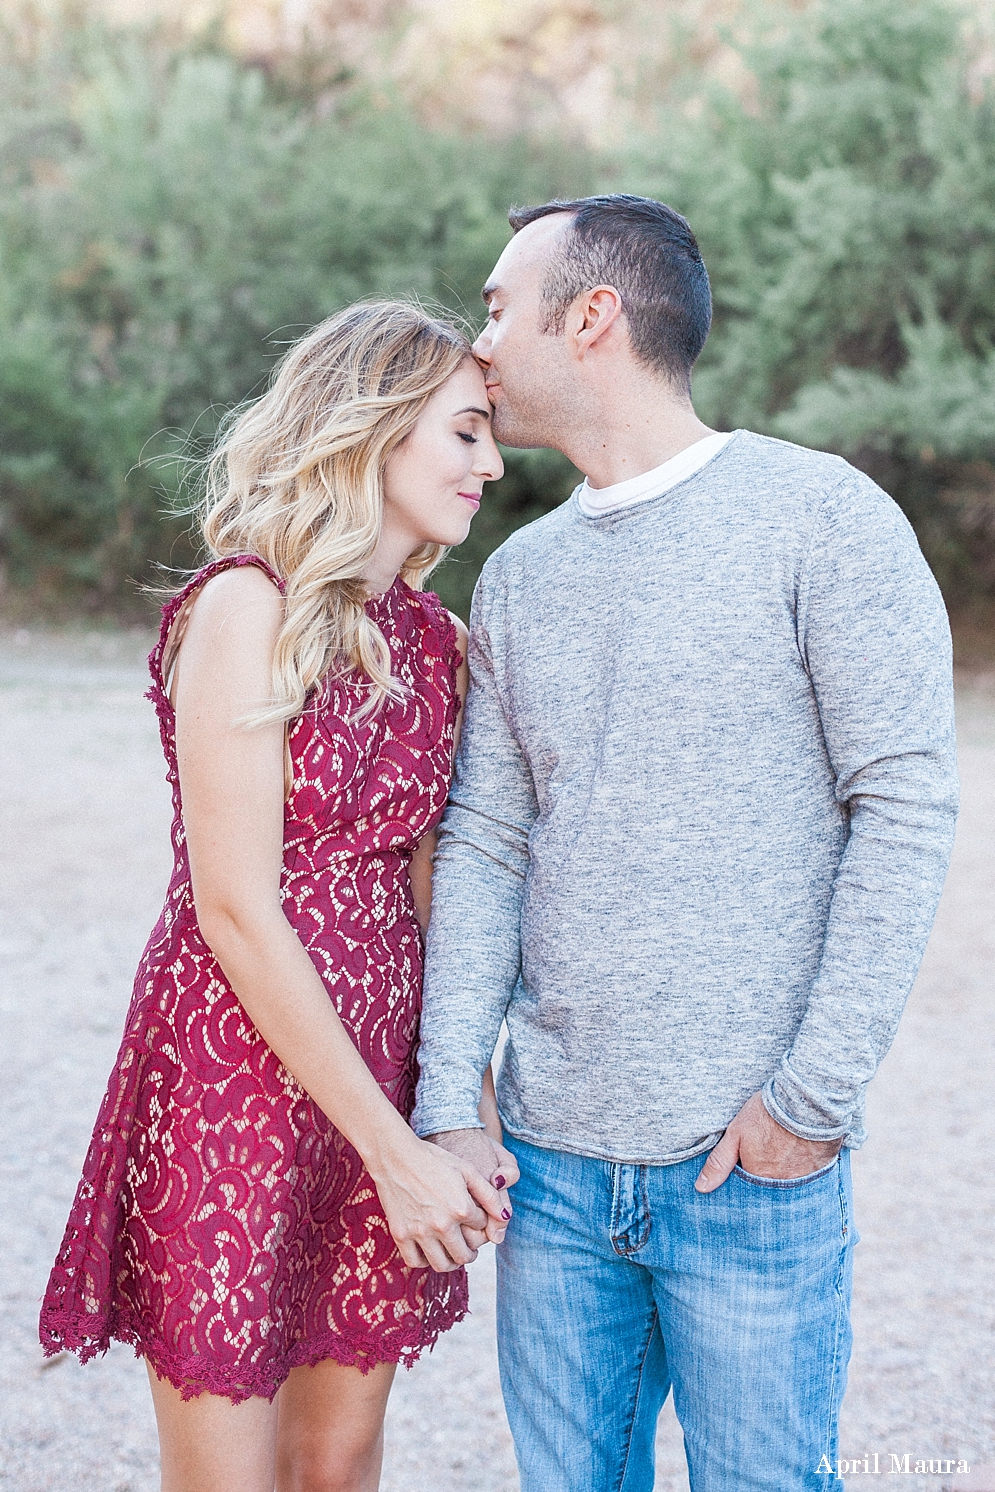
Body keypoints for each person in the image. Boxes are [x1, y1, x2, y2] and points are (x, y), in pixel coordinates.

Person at [411, 196, 960, 1491]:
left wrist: (808, 1100)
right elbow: (485, 842)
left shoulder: (820, 519)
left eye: (498, 308)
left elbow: (902, 806)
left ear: (590, 316)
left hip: (745, 1168)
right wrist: (449, 1103)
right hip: (547, 1176)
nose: (476, 343)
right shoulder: (519, 575)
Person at [39, 300, 519, 1492]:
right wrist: (392, 1149)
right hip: (235, 1074)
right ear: (376, 423)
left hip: (385, 1075)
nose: (492, 463)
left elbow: (431, 886)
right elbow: (235, 909)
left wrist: (458, 1101)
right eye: (464, 432)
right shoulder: (243, 606)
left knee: (339, 1459)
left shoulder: (436, 641)